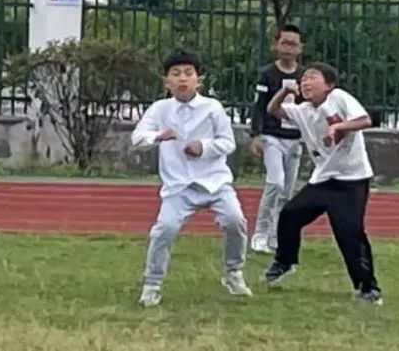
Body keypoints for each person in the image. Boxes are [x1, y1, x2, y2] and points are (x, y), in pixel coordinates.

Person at [131, 49, 252, 307]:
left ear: (199, 80)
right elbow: (138, 138)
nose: (182, 79)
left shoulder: (212, 107)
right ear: (166, 82)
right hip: (178, 186)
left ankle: (233, 273)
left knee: (235, 221)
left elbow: (228, 142)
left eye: (188, 73)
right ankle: (152, 284)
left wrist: (203, 147)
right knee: (164, 229)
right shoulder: (160, 109)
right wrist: (158, 136)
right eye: (176, 74)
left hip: (215, 182)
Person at [261, 62, 383, 305]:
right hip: (323, 179)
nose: (306, 82)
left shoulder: (338, 97)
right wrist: (284, 92)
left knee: (349, 232)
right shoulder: (303, 110)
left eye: (313, 77)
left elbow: (365, 120)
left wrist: (339, 126)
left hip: (351, 181)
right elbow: (272, 109)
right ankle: (285, 261)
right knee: (290, 214)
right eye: (304, 78)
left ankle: (368, 287)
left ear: (329, 85)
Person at [248, 24, 305, 254]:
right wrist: (255, 135)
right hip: (272, 137)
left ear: (300, 48)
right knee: (275, 182)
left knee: (287, 192)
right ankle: (260, 234)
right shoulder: (267, 74)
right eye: (284, 43)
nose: (288, 49)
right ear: (276, 45)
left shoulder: (304, 76)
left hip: (295, 139)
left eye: (293, 44)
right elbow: (259, 106)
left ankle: (276, 236)